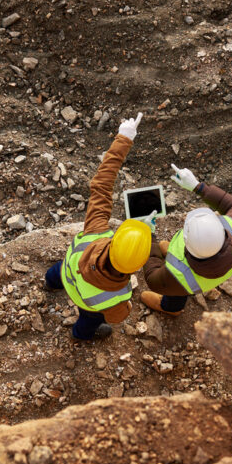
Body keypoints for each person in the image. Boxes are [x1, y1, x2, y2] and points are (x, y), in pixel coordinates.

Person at [45, 113, 152, 341]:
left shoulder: (96, 232)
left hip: (68, 273)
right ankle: (81, 335)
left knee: (56, 272)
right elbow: (116, 317)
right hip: (87, 304)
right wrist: (128, 308)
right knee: (90, 322)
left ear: (115, 240)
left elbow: (102, 184)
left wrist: (124, 138)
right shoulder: (119, 294)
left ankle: (50, 283)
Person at [141, 164, 232, 315]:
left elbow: (151, 277)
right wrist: (198, 187)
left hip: (185, 283)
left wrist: (150, 236)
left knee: (177, 293)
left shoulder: (178, 276)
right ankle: (172, 260)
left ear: (186, 243)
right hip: (215, 270)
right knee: (181, 285)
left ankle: (172, 308)